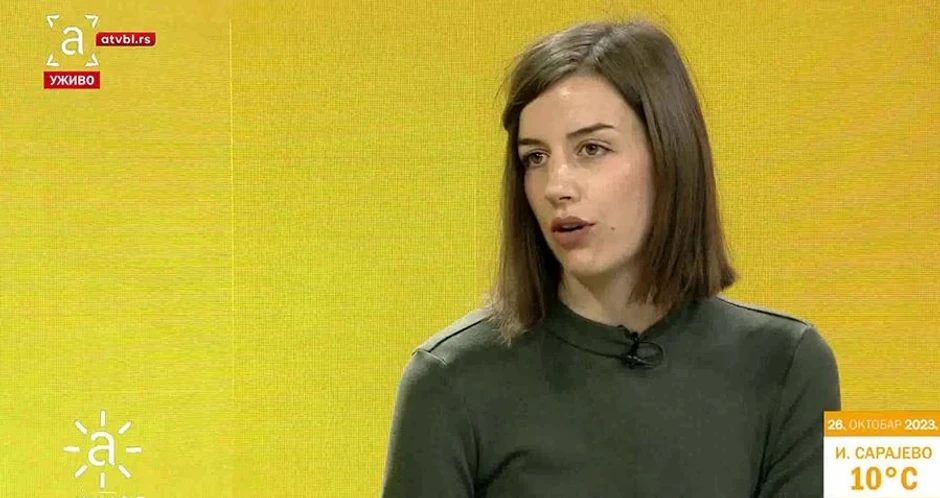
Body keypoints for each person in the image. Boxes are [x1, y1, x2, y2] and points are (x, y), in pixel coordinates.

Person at [381, 18, 840, 498]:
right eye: (535, 158)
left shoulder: (792, 363)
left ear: (670, 156)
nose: (557, 186)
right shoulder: (447, 379)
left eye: (591, 149)